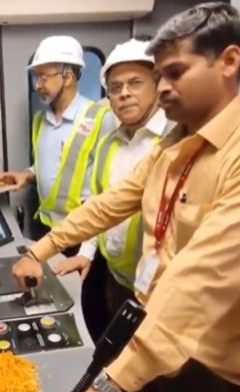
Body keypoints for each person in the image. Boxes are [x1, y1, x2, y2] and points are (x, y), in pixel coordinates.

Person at [12, 3, 240, 392]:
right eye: (159, 76)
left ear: (228, 62)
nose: (162, 88)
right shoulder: (172, 146)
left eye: (173, 74)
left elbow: (200, 283)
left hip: (219, 368)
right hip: (154, 323)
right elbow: (108, 203)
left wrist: (112, 381)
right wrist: (38, 251)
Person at [0, 35, 116, 341]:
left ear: (68, 76)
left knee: (89, 317)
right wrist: (26, 175)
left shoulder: (101, 119)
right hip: (50, 232)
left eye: (43, 77)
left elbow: (107, 193)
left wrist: (87, 251)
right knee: (60, 313)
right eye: (35, 77)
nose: (37, 85)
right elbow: (53, 165)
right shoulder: (41, 120)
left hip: (87, 239)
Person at [53, 38, 175, 330]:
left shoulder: (178, 142)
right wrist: (85, 253)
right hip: (118, 279)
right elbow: (100, 205)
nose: (124, 94)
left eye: (135, 83)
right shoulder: (109, 144)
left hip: (164, 294)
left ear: (157, 84)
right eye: (116, 88)